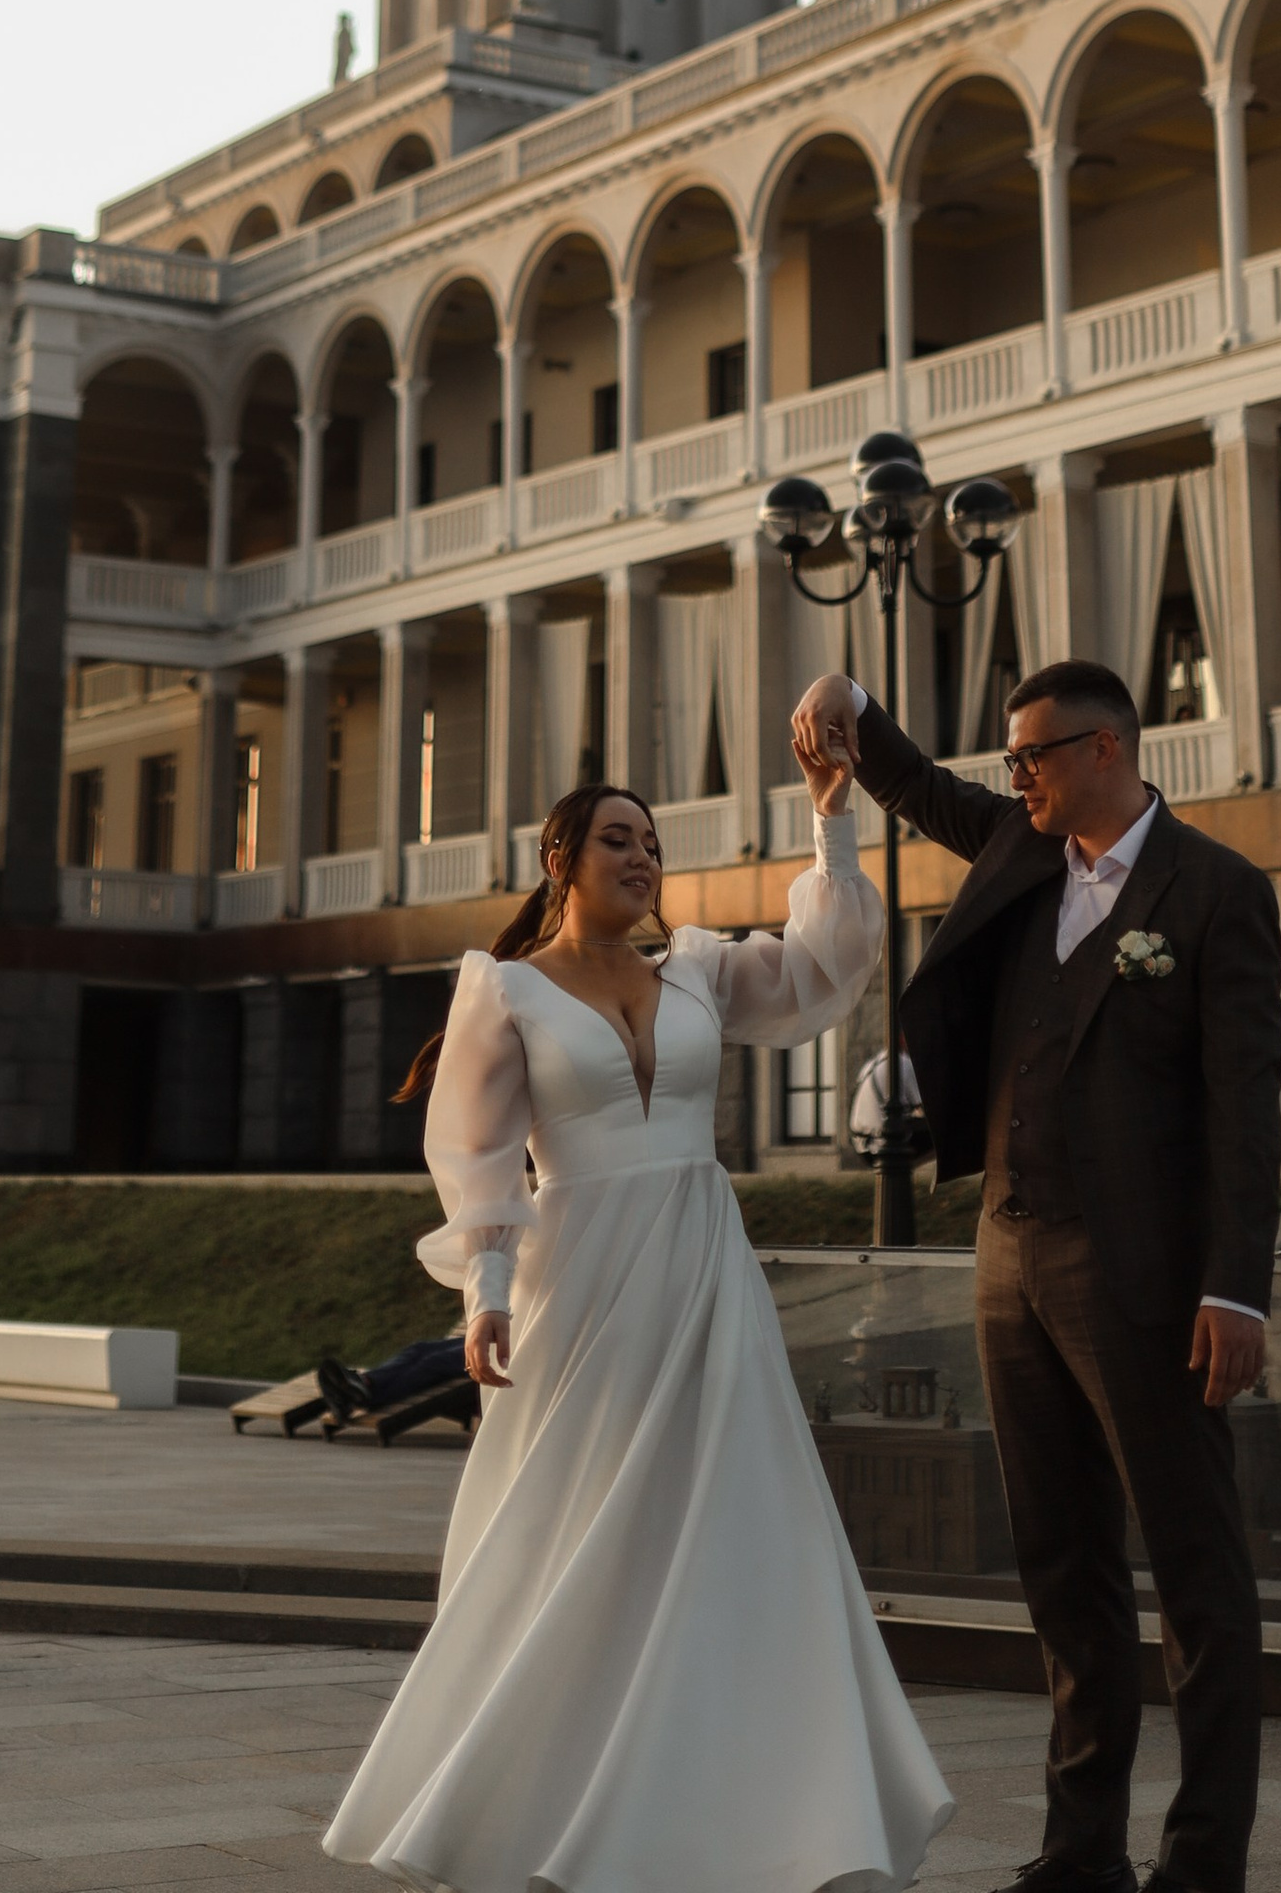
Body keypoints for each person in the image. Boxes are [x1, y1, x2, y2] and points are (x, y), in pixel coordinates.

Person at [323, 760, 949, 1893]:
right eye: (617, 838)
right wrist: (488, 1297)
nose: (642, 856)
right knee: (576, 1531)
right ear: (561, 858)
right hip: (588, 1283)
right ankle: (528, 1796)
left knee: (737, 1525)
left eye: (652, 842)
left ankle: (753, 1802)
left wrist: (831, 818)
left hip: (705, 1273)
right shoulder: (503, 991)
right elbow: (472, 1159)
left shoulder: (700, 970)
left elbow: (823, 971)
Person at [794, 657, 1281, 1893]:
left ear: (1106, 750)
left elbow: (1245, 1112)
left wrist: (1237, 1288)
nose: (1014, 779)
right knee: (1061, 1569)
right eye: (1008, 761)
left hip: (1148, 1281)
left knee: (1197, 1578)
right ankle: (1080, 1855)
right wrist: (849, 701)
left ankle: (1202, 1864)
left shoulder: (1217, 892)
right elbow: (915, 783)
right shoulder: (1020, 851)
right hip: (1008, 1260)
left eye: (1033, 757)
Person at [313, 1336, 468, 1426]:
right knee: (417, 1349)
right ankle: (363, 1383)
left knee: (434, 1362)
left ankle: (365, 1396)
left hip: (491, 1353)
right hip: (488, 1335)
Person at [847, 1043, 923, 1162]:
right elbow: (923, 1107)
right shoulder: (904, 1063)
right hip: (883, 1145)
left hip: (861, 1144)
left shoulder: (872, 1064)